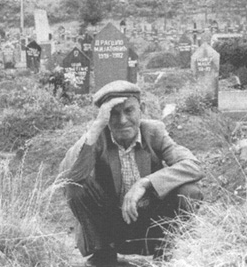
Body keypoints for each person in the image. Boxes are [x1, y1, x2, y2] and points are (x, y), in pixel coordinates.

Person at [59, 80, 204, 267]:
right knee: (75, 186)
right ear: (105, 117)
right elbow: (66, 177)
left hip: (151, 225)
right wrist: (95, 128)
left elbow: (193, 165)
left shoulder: (154, 132)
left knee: (189, 191)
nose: (122, 121)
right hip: (111, 227)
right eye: (114, 114)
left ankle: (166, 254)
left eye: (129, 111)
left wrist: (145, 183)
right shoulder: (98, 137)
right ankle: (104, 255)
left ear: (141, 109)